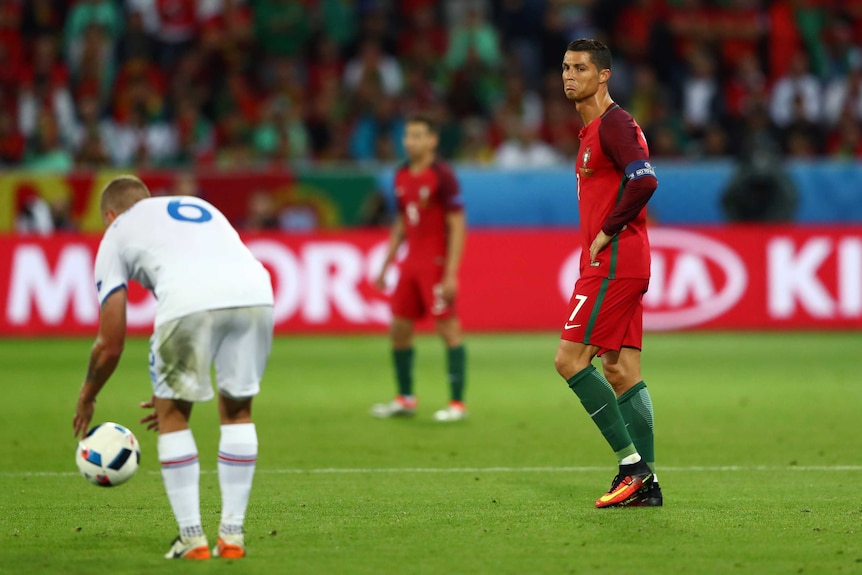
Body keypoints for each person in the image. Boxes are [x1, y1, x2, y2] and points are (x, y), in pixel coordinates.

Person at [72, 176, 274, 559]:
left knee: (173, 416)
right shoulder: (199, 209)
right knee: (238, 411)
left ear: (110, 214)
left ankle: (192, 538)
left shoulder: (116, 232)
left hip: (187, 301)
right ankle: (232, 536)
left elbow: (110, 343)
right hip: (258, 294)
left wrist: (88, 395)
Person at [557, 39, 661, 508]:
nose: (569, 75)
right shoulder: (593, 130)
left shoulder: (614, 125)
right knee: (620, 370)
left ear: (604, 76)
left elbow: (645, 179)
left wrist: (606, 233)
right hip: (625, 260)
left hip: (614, 260)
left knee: (570, 360)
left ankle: (632, 468)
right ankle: (647, 484)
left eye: (580, 68)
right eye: (565, 67)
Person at [371, 115, 467, 422]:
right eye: (407, 136)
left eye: (417, 136)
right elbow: (401, 222)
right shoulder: (399, 174)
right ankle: (405, 398)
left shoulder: (442, 175)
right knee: (399, 328)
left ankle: (456, 403)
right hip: (410, 262)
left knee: (447, 328)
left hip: (435, 262)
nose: (410, 141)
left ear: (432, 140)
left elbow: (457, 225)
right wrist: (386, 266)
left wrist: (451, 273)